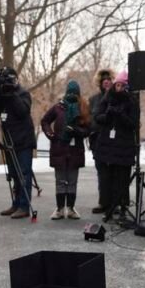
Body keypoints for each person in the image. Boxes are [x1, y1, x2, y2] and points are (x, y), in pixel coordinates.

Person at [0, 67, 35, 219]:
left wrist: (11, 94)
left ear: (17, 79)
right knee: (14, 174)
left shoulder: (23, 93)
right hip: (9, 139)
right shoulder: (3, 96)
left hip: (23, 141)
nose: (10, 83)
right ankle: (16, 204)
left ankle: (24, 207)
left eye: (11, 80)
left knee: (23, 173)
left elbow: (22, 111)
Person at [92, 70, 138, 223]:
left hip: (124, 146)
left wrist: (121, 116)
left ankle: (123, 207)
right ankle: (109, 207)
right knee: (108, 178)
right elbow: (97, 117)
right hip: (108, 144)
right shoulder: (107, 98)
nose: (119, 87)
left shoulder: (132, 101)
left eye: (122, 85)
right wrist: (108, 115)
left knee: (122, 179)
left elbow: (133, 123)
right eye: (117, 84)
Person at [40, 80, 91, 220]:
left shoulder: (83, 108)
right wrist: (51, 134)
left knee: (72, 181)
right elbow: (45, 121)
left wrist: (76, 130)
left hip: (75, 150)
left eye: (75, 92)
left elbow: (88, 129)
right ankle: (60, 209)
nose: (72, 95)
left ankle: (71, 208)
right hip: (59, 148)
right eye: (70, 92)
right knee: (60, 180)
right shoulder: (58, 107)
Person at [88, 68, 115, 213]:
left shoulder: (117, 97)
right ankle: (103, 202)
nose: (106, 82)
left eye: (109, 80)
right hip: (98, 140)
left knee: (114, 173)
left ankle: (115, 203)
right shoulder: (93, 100)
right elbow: (91, 120)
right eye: (104, 80)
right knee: (102, 173)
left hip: (114, 141)